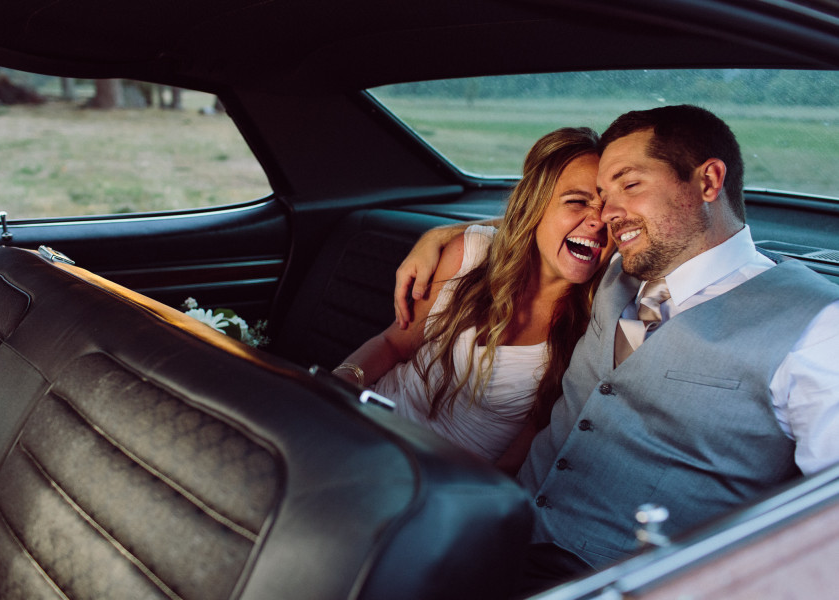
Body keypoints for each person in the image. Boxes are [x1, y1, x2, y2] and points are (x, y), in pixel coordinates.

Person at [393, 104, 839, 593]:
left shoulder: (817, 325)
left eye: (630, 186)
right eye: (601, 197)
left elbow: (827, 526)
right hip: (489, 526)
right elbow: (538, 232)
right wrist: (446, 234)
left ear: (708, 182)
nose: (605, 216)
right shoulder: (615, 269)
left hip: (618, 579)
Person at [333, 127, 613, 464]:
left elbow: (525, 446)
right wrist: (338, 386)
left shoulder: (599, 317)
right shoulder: (472, 253)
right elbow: (393, 344)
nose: (597, 221)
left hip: (450, 483)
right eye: (577, 201)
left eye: (608, 209)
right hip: (367, 429)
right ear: (535, 206)